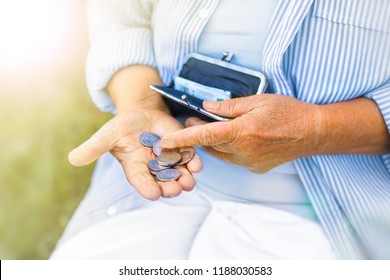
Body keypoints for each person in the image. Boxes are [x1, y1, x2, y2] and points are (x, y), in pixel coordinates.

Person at [50, 0, 390, 259]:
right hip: (144, 183)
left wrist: (318, 130)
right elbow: (120, 16)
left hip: (326, 211)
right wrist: (140, 103)